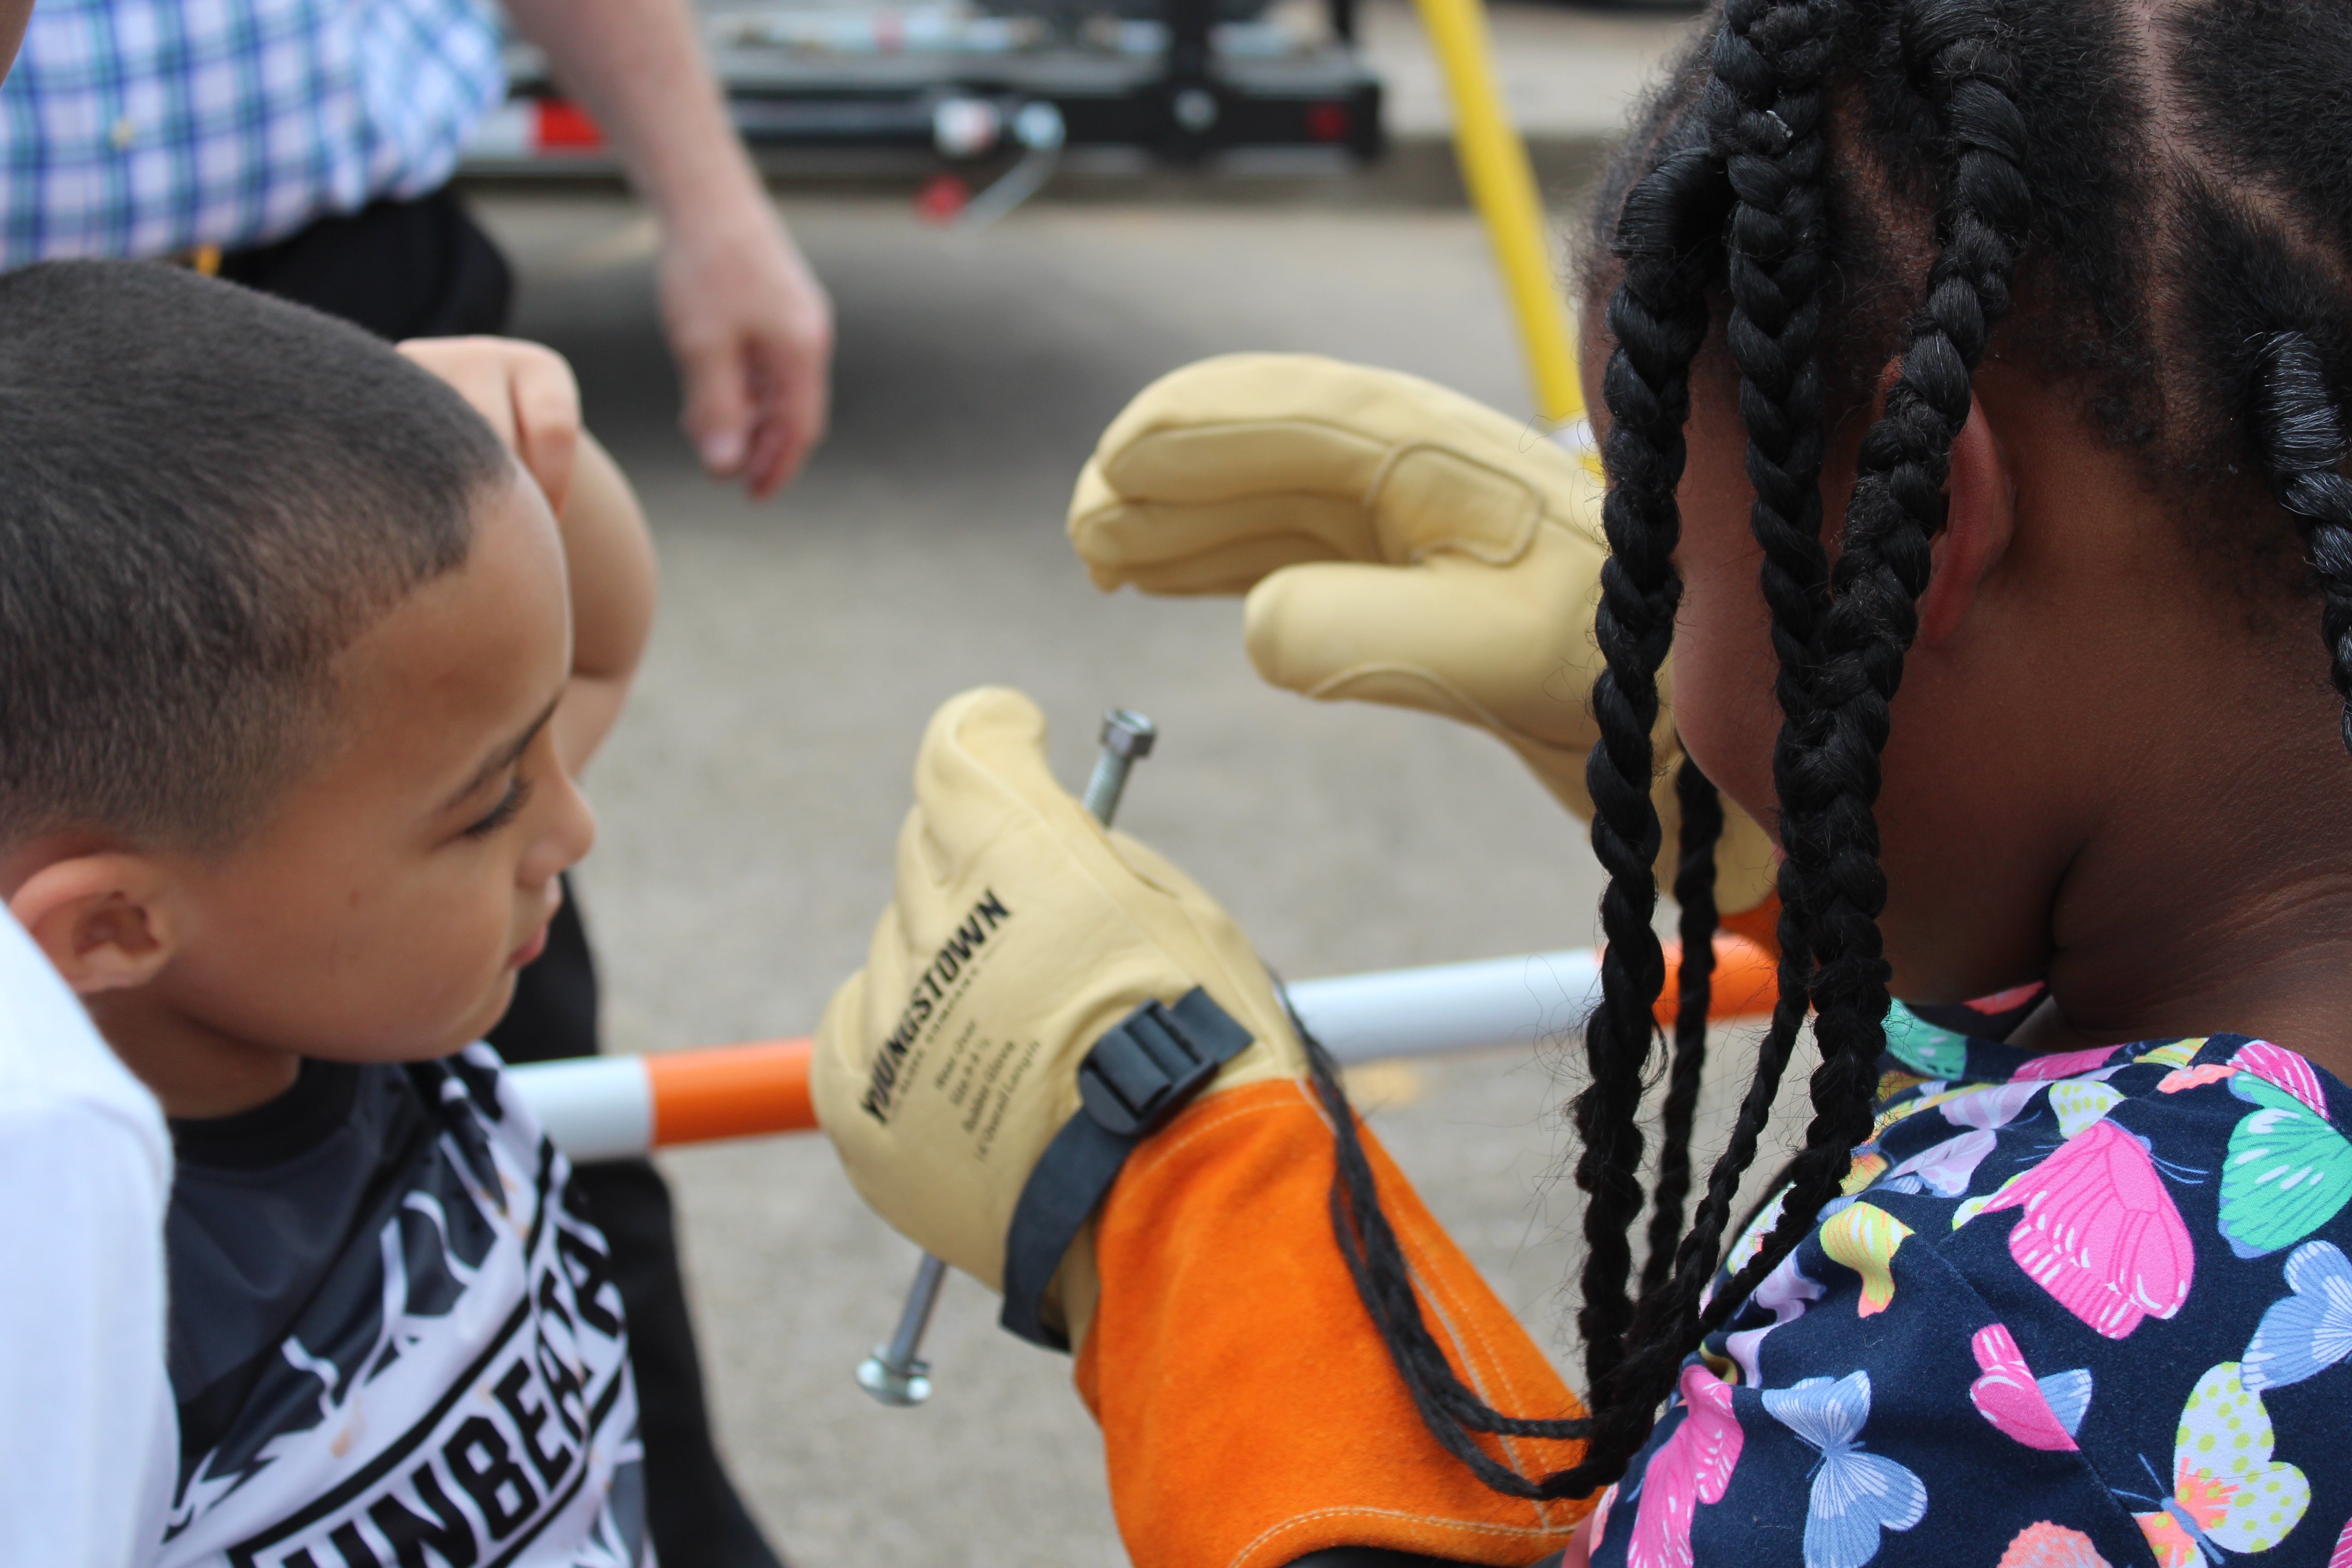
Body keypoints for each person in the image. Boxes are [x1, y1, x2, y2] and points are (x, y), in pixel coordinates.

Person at [808, 0, 2352, 1563]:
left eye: (1658, 564)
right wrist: (1777, 866)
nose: (1645, 668)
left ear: (1927, 525)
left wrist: (1182, 1214)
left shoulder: (1995, 1350)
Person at [0, 259, 660, 1565]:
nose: (570, 834)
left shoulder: (359, 985)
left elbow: (599, 649)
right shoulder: (81, 1327)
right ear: (112, 930)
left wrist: (537, 460)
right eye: (488, 808)